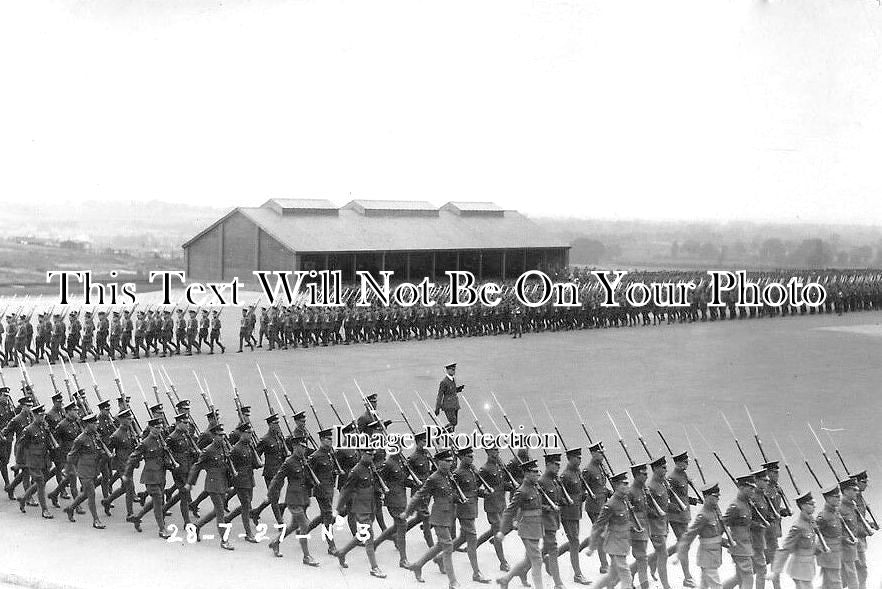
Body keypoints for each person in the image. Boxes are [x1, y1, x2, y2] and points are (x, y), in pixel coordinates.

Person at [401, 449, 459, 587]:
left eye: (451, 461)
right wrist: (407, 512)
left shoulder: (448, 476)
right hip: (439, 516)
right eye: (447, 461)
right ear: (439, 462)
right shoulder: (434, 478)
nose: (450, 463)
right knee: (448, 546)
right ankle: (453, 581)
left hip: (448, 514)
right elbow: (419, 495)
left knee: (441, 545)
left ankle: (418, 565)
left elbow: (450, 495)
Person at [335, 448, 387, 578]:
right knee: (369, 536)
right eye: (368, 455)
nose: (371, 457)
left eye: (372, 455)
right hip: (361, 507)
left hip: (370, 505)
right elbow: (346, 491)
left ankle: (342, 552)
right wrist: (338, 509)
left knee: (363, 534)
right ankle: (374, 568)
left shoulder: (370, 468)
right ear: (362, 454)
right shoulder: (356, 471)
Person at [586, 471, 633, 589]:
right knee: (626, 575)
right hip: (614, 544)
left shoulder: (623, 500)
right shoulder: (610, 504)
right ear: (616, 486)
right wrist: (592, 547)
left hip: (622, 543)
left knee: (612, 576)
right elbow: (598, 526)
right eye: (624, 484)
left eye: (628, 483)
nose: (627, 486)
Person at [677, 482, 728, 589]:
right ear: (706, 497)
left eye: (718, 496)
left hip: (715, 554)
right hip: (707, 555)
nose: (718, 499)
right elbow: (689, 534)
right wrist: (681, 550)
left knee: (704, 584)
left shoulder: (715, 511)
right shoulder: (703, 515)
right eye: (715, 496)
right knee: (716, 585)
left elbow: (717, 532)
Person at [63, 413, 107, 529]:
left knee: (86, 493)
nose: (97, 425)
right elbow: (70, 455)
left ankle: (71, 508)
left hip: (93, 469)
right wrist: (70, 469)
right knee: (91, 494)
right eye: (94, 423)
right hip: (84, 470)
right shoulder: (80, 439)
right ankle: (96, 520)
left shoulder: (94, 436)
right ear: (88, 425)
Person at [770, 491, 819, 589]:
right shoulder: (798, 526)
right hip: (799, 568)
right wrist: (776, 571)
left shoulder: (811, 521)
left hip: (808, 567)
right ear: (803, 506)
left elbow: (812, 544)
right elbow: (785, 549)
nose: (815, 506)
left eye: (815, 504)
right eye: (811, 504)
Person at [17, 404, 54, 519]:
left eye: (43, 415)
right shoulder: (28, 430)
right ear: (34, 416)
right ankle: (45, 510)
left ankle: (23, 499)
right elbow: (20, 446)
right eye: (40, 416)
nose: (42, 418)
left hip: (43, 460)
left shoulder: (44, 428)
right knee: (41, 484)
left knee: (39, 483)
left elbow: (47, 443)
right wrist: (19, 462)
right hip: (33, 461)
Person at [435, 362, 464, 428]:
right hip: (448, 406)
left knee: (454, 424)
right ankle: (440, 432)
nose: (454, 371)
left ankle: (449, 435)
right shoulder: (444, 382)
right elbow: (440, 395)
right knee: (453, 422)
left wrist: (459, 389)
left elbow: (451, 391)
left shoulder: (453, 380)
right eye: (452, 370)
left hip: (455, 405)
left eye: (454, 370)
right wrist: (437, 408)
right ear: (447, 370)